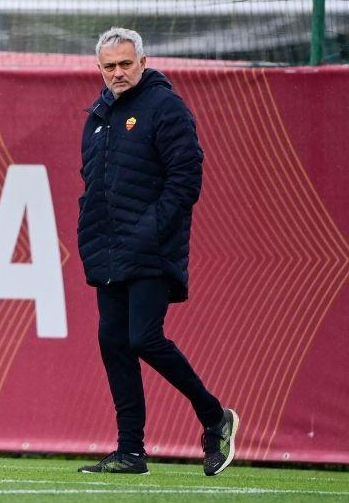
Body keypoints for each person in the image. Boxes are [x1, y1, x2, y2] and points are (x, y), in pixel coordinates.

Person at [76, 27, 238, 476]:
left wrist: (148, 231)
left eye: (126, 64)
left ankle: (213, 417)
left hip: (150, 248)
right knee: (114, 343)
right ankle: (130, 452)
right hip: (107, 249)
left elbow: (186, 178)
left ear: (143, 63)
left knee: (143, 337)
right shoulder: (99, 115)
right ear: (100, 69)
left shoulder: (165, 107)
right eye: (109, 66)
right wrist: (88, 225)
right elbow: (92, 182)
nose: (118, 73)